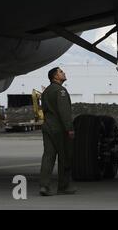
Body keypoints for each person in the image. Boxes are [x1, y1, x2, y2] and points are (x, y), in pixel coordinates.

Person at [39, 67, 77, 196]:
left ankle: (44, 186)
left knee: (48, 157)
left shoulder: (46, 91)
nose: (64, 73)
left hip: (47, 126)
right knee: (65, 156)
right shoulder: (60, 91)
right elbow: (64, 112)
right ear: (55, 77)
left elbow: (44, 109)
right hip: (59, 129)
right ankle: (63, 186)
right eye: (61, 72)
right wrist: (69, 129)